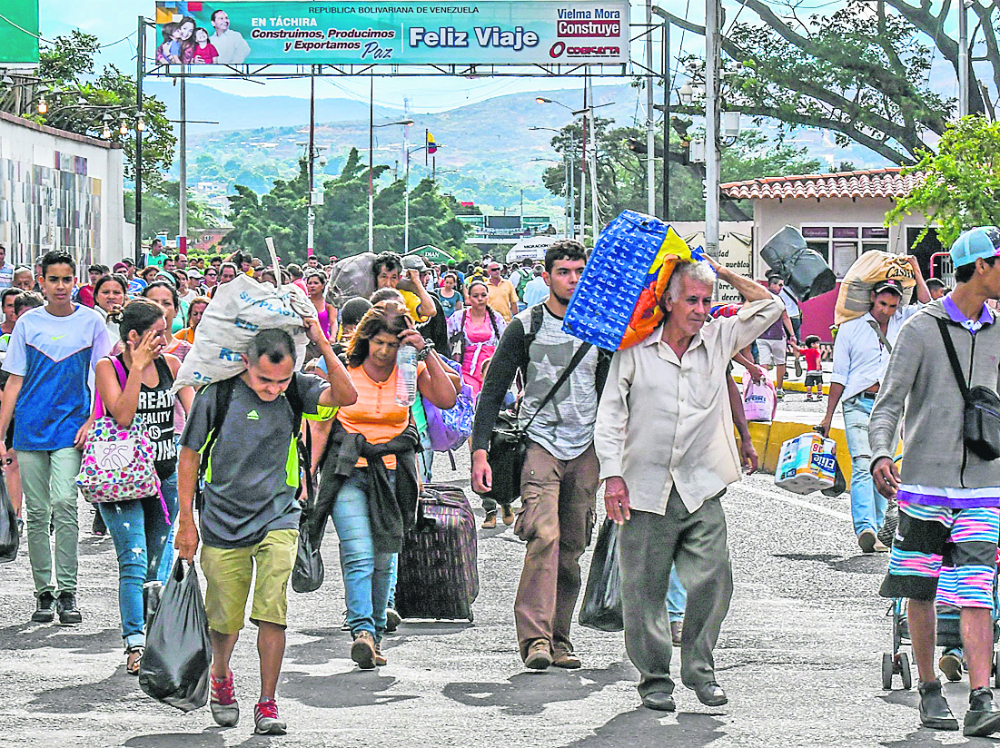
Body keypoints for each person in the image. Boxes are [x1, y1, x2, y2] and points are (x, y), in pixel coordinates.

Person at [594, 257, 782, 711]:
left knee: (714, 579)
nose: (701, 309)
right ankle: (654, 678)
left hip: (700, 485)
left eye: (707, 300)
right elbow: (611, 415)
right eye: (692, 299)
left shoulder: (719, 340)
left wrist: (723, 272)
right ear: (669, 301)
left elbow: (771, 306)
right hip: (644, 488)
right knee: (644, 590)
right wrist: (612, 474)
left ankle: (700, 669)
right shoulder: (634, 348)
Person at [175, 325, 356, 735]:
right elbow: (189, 458)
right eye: (264, 379)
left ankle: (267, 703)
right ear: (245, 364)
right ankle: (221, 675)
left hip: (279, 514)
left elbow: (347, 396)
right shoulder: (216, 396)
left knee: (273, 609)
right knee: (224, 620)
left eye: (282, 379)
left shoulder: (298, 390)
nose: (274, 389)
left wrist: (322, 344)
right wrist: (187, 521)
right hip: (222, 520)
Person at [870, 226, 1000, 737]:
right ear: (982, 267)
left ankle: (981, 698)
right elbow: (889, 404)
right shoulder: (920, 330)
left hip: (985, 487)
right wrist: (881, 452)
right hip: (924, 487)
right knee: (919, 589)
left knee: (977, 592)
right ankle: (928, 687)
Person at [471, 240, 610, 670]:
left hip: (587, 448)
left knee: (571, 545)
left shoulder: (601, 328)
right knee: (543, 536)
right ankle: (535, 640)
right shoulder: (525, 326)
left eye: (579, 272)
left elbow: (614, 393)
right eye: (564, 272)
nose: (572, 279)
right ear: (545, 277)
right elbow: (493, 391)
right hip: (540, 443)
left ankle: (560, 638)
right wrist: (479, 452)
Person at [319, 301, 455, 669]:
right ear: (366, 339)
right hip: (348, 471)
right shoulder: (343, 368)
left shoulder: (411, 368)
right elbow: (314, 419)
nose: (383, 352)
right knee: (359, 552)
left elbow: (446, 398)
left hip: (395, 473)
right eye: (378, 342)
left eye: (392, 344)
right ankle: (361, 629)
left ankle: (375, 632)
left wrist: (424, 349)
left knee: (385, 553)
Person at [0, 250, 112, 624]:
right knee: (36, 512)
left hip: (71, 428)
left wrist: (93, 420)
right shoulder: (28, 324)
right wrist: (1, 434)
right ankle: (43, 593)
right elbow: (14, 382)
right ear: (41, 282)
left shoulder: (92, 323)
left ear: (75, 281)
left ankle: (68, 590)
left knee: (64, 502)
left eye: (67, 279)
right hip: (30, 429)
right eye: (53, 280)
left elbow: (101, 376)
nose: (60, 287)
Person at [93, 299, 194, 674]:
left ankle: (156, 640)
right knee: (133, 560)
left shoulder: (172, 366)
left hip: (164, 476)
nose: (166, 339)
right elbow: (121, 414)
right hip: (122, 481)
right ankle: (134, 643)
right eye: (158, 332)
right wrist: (135, 368)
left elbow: (194, 410)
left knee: (158, 563)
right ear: (133, 336)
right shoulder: (109, 367)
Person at [817, 256, 930, 553]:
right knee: (863, 465)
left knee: (885, 467)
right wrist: (827, 417)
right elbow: (839, 376)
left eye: (892, 306)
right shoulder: (850, 329)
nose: (887, 311)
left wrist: (917, 272)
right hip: (857, 404)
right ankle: (865, 527)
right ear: (872, 298)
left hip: (890, 408)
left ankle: (879, 529)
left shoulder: (904, 322)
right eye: (883, 304)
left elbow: (931, 309)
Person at [446, 279, 506, 403]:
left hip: (489, 371)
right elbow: (446, 339)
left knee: (488, 403)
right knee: (469, 401)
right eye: (475, 296)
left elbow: (506, 344)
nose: (480, 299)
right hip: (465, 369)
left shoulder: (497, 318)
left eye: (483, 295)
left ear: (488, 297)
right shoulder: (458, 317)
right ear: (468, 298)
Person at [754, 273, 796, 398]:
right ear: (772, 284)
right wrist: (792, 334)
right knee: (780, 362)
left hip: (761, 335)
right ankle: (779, 389)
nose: (781, 288)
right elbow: (785, 317)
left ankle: (766, 388)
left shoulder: (759, 297)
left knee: (764, 362)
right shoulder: (778, 300)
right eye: (780, 285)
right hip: (777, 335)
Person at [372, 252, 436, 322]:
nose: (388, 284)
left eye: (393, 278)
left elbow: (430, 311)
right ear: (376, 277)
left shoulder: (405, 297)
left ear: (399, 278)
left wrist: (417, 282)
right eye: (383, 277)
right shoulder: (367, 295)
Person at [94, 274, 128, 352]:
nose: (111, 296)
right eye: (105, 292)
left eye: (116, 293)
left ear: (124, 296)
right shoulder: (89, 320)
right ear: (96, 297)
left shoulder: (130, 320)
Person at [305, 269, 336, 338]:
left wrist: (333, 336)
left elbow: (333, 322)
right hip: (306, 342)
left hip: (324, 340)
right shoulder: (303, 302)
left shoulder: (328, 303)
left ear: (322, 286)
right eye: (309, 283)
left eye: (316, 283)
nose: (312, 286)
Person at [802, 335, 824, 401]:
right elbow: (818, 359)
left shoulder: (806, 351)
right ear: (812, 344)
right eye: (817, 343)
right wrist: (818, 366)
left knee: (809, 384)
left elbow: (799, 350)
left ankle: (809, 395)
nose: (818, 344)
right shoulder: (817, 351)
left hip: (809, 371)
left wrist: (793, 345)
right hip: (817, 370)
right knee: (819, 382)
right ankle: (819, 393)